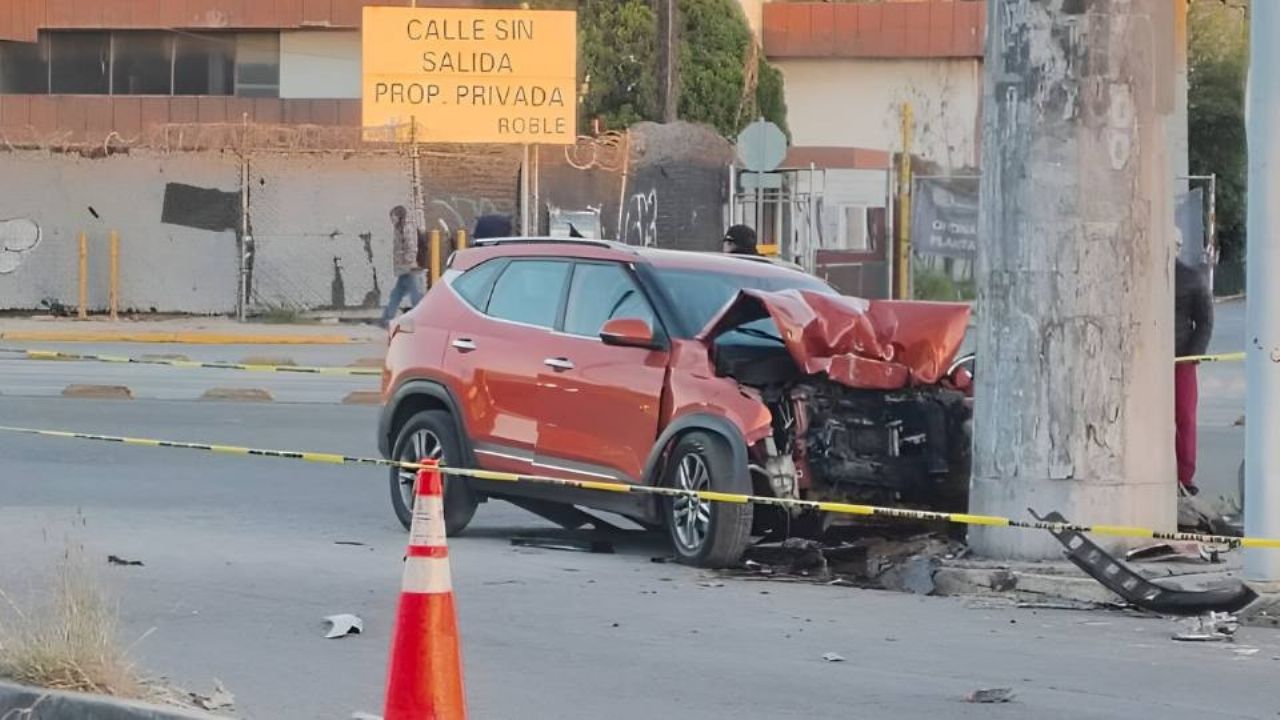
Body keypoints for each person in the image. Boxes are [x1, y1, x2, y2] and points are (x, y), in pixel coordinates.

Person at [1174, 258, 1214, 496]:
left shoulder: (1191, 278)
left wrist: (1192, 356)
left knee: (1185, 418)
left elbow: (1205, 321)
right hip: (1148, 359)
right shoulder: (1145, 272)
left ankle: (1185, 478)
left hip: (1181, 360)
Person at [380, 205, 423, 328]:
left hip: (410, 268)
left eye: (393, 217)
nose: (391, 220)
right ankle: (387, 318)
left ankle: (421, 319)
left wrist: (409, 262)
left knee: (416, 296)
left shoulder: (407, 227)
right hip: (404, 268)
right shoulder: (399, 227)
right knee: (397, 294)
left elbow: (411, 246)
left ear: (399, 216)